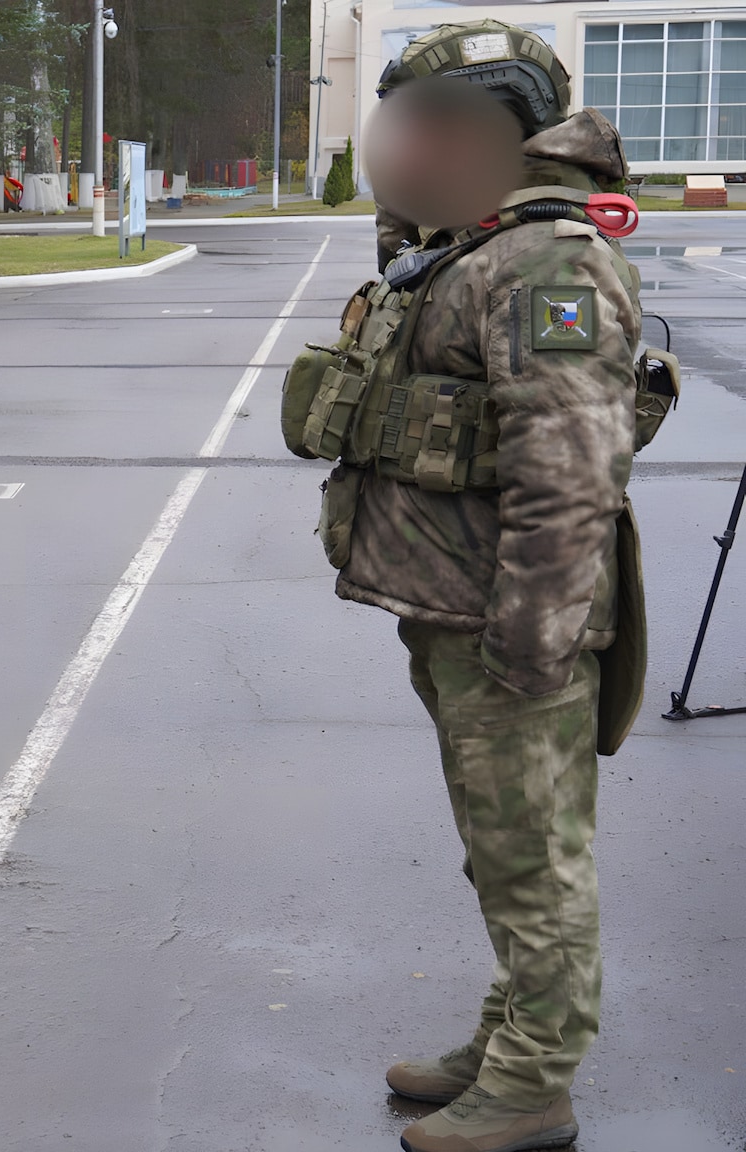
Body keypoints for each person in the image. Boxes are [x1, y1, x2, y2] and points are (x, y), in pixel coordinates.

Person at [287, 21, 654, 1152]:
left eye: (440, 126)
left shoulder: (548, 264)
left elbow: (570, 469)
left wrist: (534, 640)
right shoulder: (466, 250)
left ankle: (536, 1082)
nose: (412, 147)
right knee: (498, 847)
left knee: (534, 857)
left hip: (515, 621)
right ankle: (508, 1038)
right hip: (454, 605)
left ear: (508, 135)